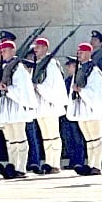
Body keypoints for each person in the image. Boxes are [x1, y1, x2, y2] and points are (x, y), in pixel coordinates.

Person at [0, 40, 37, 179]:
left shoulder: (18, 68)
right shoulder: (2, 67)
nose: (2, 54)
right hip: (6, 107)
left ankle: (21, 168)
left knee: (19, 136)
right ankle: (12, 165)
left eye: (4, 51)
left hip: (16, 107)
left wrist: (7, 89)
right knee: (10, 139)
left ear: (12, 51)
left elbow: (22, 90)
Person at [68, 42, 102, 176]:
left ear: (88, 53)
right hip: (82, 109)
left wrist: (81, 91)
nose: (79, 54)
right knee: (89, 139)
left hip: (92, 110)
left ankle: (96, 165)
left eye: (81, 52)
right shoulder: (80, 69)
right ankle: (90, 163)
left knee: (96, 138)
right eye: (78, 52)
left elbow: (96, 91)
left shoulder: (94, 71)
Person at [31, 37, 69, 174]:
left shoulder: (51, 64)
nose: (35, 50)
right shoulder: (38, 63)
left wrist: (38, 87)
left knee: (53, 134)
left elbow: (53, 84)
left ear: (45, 48)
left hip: (50, 104)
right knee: (46, 136)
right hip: (41, 105)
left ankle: (55, 163)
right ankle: (48, 162)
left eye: (38, 47)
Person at [59, 56, 85, 169]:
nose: (68, 68)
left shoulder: (79, 79)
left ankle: (79, 161)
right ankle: (72, 161)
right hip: (68, 112)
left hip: (77, 112)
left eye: (69, 66)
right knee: (69, 138)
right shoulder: (68, 80)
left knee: (77, 138)